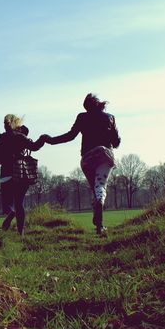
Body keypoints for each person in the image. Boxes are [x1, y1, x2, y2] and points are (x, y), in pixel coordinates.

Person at [41, 93, 121, 235]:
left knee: (95, 189)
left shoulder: (82, 117)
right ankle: (99, 224)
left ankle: (98, 220)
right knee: (100, 187)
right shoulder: (110, 117)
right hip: (105, 155)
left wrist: (51, 140)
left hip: (88, 157)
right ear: (99, 104)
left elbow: (70, 136)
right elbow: (116, 142)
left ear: (86, 107)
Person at [0, 114, 45, 236]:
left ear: (5, 125)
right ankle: (21, 233)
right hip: (20, 173)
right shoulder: (20, 137)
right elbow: (34, 147)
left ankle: (11, 213)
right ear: (16, 124)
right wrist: (43, 139)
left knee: (8, 204)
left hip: (6, 175)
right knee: (19, 203)